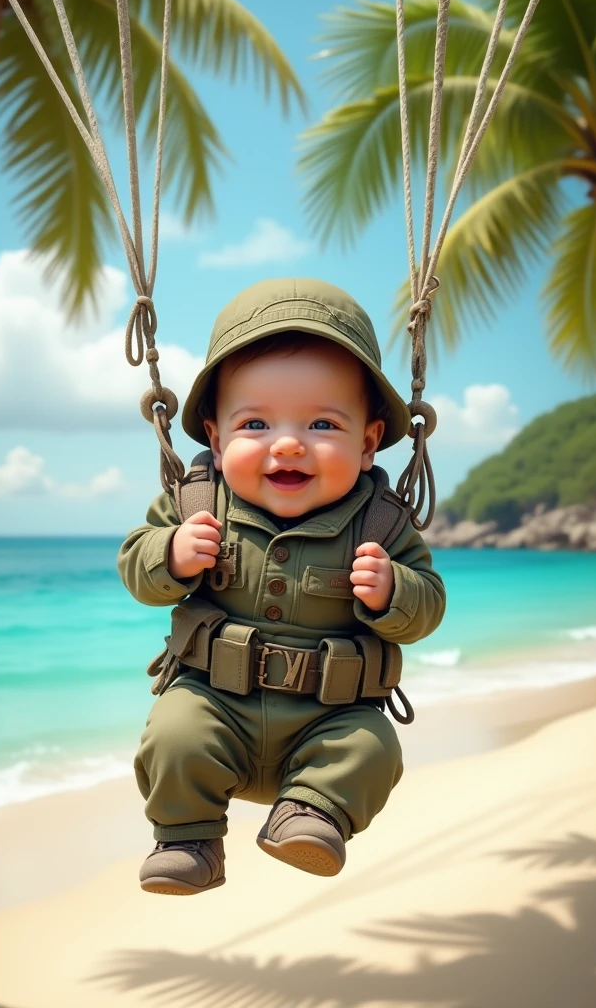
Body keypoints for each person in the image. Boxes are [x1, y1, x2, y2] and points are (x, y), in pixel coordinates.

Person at [118, 278, 446, 895]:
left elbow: (429, 604)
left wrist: (393, 591)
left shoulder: (379, 522)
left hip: (329, 719)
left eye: (323, 422)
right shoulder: (194, 504)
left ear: (369, 441)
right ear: (216, 439)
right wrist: (172, 553)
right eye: (255, 424)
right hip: (217, 705)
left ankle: (314, 813)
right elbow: (137, 567)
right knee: (174, 732)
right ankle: (188, 840)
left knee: (374, 748)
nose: (289, 444)